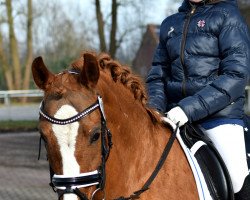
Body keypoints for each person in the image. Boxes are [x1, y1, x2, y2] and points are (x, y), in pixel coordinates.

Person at [146, 0, 250, 199]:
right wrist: (154, 111)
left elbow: (236, 75)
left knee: (236, 178)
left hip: (219, 116)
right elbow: (158, 76)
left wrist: (188, 109)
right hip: (172, 117)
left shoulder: (228, 16)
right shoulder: (170, 23)